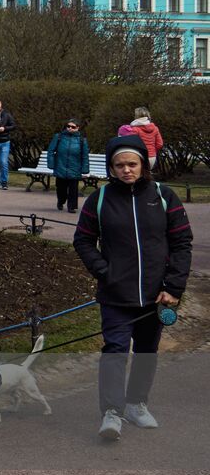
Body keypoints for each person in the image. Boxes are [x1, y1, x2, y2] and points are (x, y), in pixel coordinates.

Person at [73, 135, 192, 441]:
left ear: (143, 164)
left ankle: (137, 403)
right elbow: (83, 240)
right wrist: (104, 271)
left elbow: (181, 243)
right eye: (119, 165)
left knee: (146, 351)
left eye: (132, 164)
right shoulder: (98, 200)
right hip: (115, 294)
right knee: (114, 350)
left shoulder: (164, 196)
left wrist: (174, 286)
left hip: (157, 294)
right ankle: (112, 413)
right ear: (111, 168)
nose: (126, 170)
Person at [46, 118, 90, 213]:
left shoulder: (82, 140)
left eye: (73, 127)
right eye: (68, 126)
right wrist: (51, 163)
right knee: (61, 188)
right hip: (61, 166)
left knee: (73, 189)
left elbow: (85, 155)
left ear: (78, 128)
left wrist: (85, 169)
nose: (70, 128)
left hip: (75, 167)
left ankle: (72, 206)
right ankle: (61, 201)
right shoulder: (59, 137)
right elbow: (51, 150)